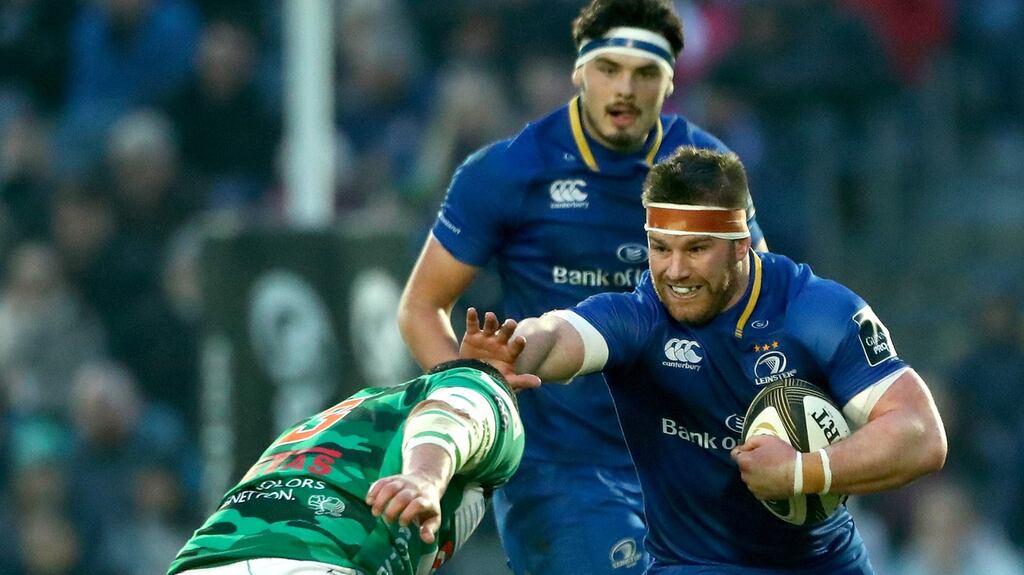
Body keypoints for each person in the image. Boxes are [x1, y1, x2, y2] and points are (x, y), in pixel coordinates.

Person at [398, 1, 766, 572]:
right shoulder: (507, 172)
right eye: (609, 69)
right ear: (580, 72)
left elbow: (759, 305)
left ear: (671, 80)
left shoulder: (707, 171)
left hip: (684, 462)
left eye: (645, 73)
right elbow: (421, 308)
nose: (625, 88)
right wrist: (473, 416)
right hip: (559, 473)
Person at [461, 146, 947, 574]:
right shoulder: (640, 317)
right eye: (660, 248)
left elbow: (922, 435)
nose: (675, 271)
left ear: (740, 246)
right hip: (697, 566)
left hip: (829, 562)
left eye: (696, 249)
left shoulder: (815, 311)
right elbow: (558, 332)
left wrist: (802, 472)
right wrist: (514, 348)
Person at [167, 358, 531, 575]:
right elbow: (451, 417)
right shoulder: (482, 390)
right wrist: (424, 477)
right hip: (314, 560)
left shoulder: (335, 418)